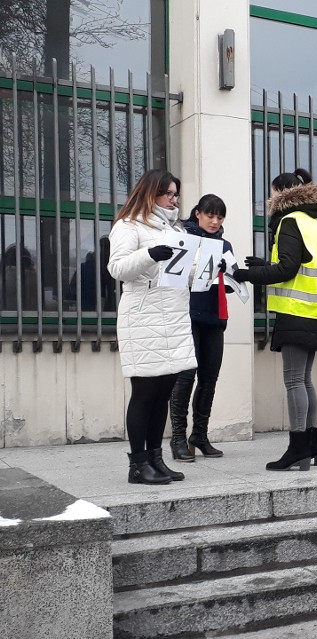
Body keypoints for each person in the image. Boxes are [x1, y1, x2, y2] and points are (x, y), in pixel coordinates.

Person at [232, 169, 317, 471]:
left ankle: (298, 447)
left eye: (272, 193)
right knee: (304, 380)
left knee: (293, 381)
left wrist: (249, 274)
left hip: (296, 312)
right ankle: (315, 444)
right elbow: (302, 265)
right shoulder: (313, 223)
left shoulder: (289, 221)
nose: (270, 199)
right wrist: (267, 266)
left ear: (282, 193)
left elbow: (288, 269)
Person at [107, 169, 195, 485]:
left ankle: (157, 459)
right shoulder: (128, 225)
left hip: (173, 318)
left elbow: (184, 273)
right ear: (151, 193)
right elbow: (117, 268)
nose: (174, 199)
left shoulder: (177, 229)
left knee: (163, 394)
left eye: (175, 194)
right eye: (168, 193)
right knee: (144, 393)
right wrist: (149, 254)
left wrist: (211, 277)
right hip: (143, 319)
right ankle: (137, 465)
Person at [169, 195, 233, 462]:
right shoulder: (183, 236)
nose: (215, 221)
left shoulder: (224, 244)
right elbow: (172, 276)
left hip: (214, 317)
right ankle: (177, 438)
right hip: (188, 316)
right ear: (198, 213)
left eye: (219, 217)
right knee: (185, 378)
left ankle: (200, 435)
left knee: (209, 378)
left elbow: (232, 282)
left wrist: (227, 272)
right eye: (210, 215)